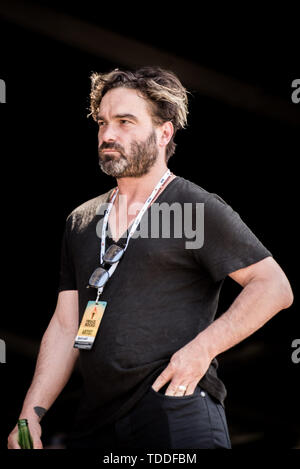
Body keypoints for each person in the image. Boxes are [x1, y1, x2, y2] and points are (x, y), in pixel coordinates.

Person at [8, 67, 293, 450]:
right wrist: (30, 414)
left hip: (176, 408)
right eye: (103, 122)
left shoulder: (193, 206)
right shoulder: (81, 220)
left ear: (164, 133)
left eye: (125, 122)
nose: (108, 135)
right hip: (96, 423)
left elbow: (274, 287)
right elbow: (65, 325)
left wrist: (202, 349)